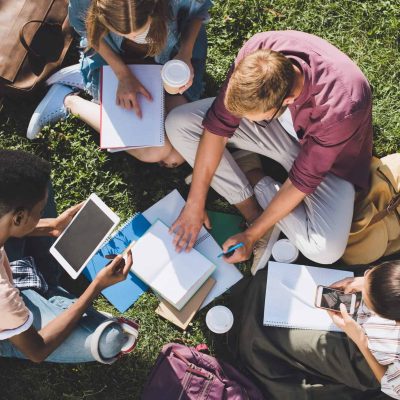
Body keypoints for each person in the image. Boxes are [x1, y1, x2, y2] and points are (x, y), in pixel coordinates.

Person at [165, 30, 373, 270]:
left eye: (253, 119)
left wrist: (251, 235)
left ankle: (254, 176)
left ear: (285, 101)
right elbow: (218, 125)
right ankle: (250, 208)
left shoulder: (342, 108)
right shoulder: (258, 52)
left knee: (325, 250)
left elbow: (303, 180)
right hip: (281, 131)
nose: (243, 123)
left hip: (331, 162)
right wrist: (194, 202)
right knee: (177, 123)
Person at [27, 0, 211, 168]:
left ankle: (90, 84)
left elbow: (197, 12)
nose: (133, 37)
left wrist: (185, 54)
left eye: (140, 31)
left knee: (175, 156)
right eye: (122, 32)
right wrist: (123, 75)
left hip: (172, 55)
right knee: (155, 151)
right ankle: (68, 100)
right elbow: (87, 30)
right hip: (113, 59)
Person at [0, 149, 138, 364]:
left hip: (10, 278)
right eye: (40, 211)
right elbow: (37, 350)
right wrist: (96, 287)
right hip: (10, 325)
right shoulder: (3, 298)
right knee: (110, 340)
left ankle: (56, 296)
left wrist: (50, 227)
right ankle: (57, 298)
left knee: (36, 182)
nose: (43, 214)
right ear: (18, 218)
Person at [227, 261, 400, 400]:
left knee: (282, 339)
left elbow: (389, 384)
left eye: (368, 302)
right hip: (360, 325)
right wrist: (365, 280)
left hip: (369, 358)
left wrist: (361, 341)